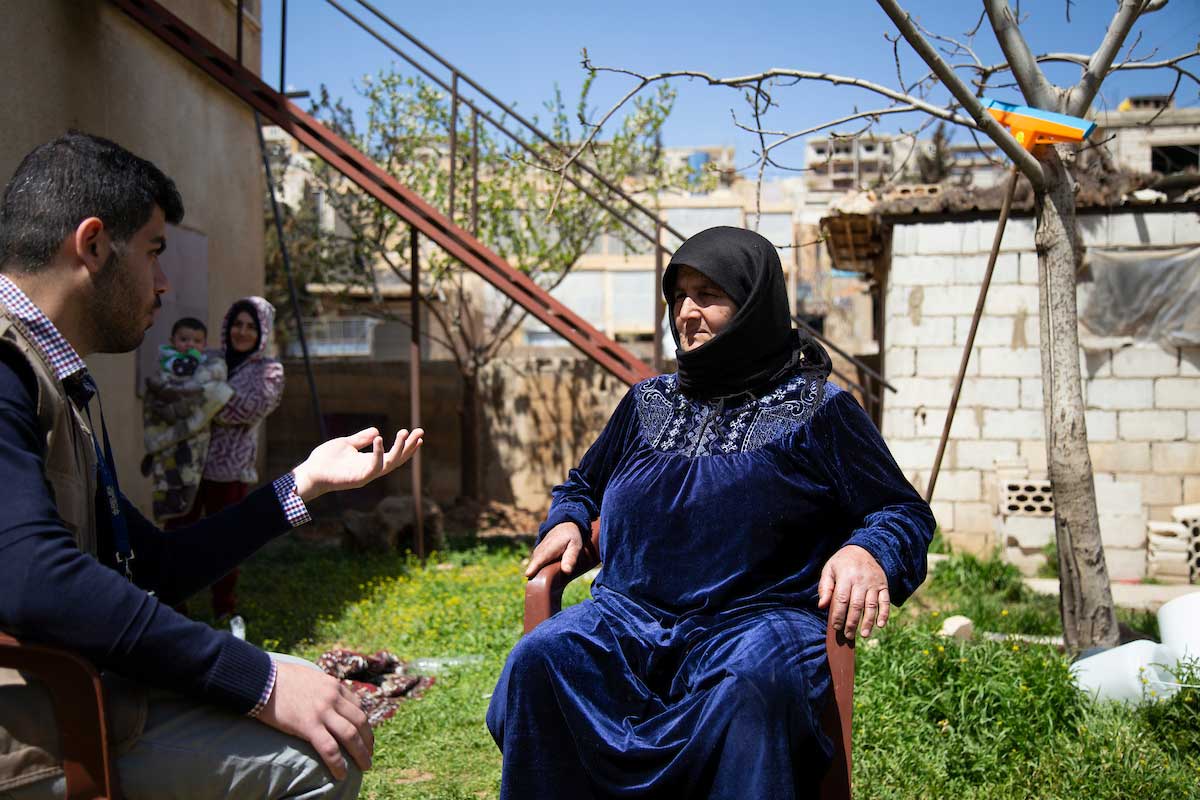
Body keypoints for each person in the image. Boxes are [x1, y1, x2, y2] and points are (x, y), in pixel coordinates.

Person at [0, 131, 423, 799]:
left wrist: (303, 483)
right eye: (155, 252)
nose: (165, 284)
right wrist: (258, 682)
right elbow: (31, 579)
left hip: (71, 691)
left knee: (327, 707)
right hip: (29, 728)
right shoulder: (6, 368)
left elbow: (157, 567)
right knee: (317, 759)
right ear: (92, 245)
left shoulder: (54, 378)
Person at [486, 226, 935, 799]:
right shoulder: (647, 403)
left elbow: (902, 511)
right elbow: (582, 485)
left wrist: (868, 549)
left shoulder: (820, 410)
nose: (687, 313)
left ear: (753, 303)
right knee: (541, 659)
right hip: (629, 621)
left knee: (750, 685)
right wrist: (570, 517)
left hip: (755, 623)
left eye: (708, 295)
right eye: (679, 296)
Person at [167, 295, 284, 623]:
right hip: (188, 463)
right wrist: (204, 398)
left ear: (262, 332)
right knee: (177, 533)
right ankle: (173, 604)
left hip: (229, 469)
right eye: (237, 324)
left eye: (251, 326)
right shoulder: (210, 357)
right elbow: (177, 393)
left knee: (225, 540)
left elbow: (245, 410)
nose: (242, 332)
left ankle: (223, 607)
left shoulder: (270, 371)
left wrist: (204, 397)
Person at [142, 316, 232, 525]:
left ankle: (180, 501)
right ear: (172, 340)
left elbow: (211, 391)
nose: (190, 344)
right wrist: (165, 394)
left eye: (196, 341)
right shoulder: (165, 363)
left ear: (204, 345)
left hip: (192, 435)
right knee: (164, 474)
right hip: (164, 426)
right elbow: (154, 389)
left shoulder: (209, 367)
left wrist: (183, 396)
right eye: (184, 339)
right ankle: (165, 505)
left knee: (187, 472)